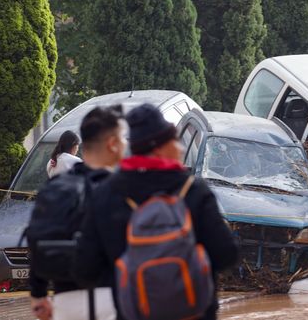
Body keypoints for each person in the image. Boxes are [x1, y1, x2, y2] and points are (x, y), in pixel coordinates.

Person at [74, 104, 239, 320]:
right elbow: (227, 255)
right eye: (174, 140)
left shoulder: (106, 194)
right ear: (159, 146)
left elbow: (85, 269)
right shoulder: (194, 191)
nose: (180, 148)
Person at [30, 105, 126, 320]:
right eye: (123, 139)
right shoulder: (121, 189)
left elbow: (38, 239)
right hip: (113, 298)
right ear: (112, 144)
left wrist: (39, 294)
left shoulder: (53, 189)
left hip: (66, 301)